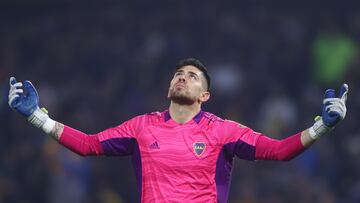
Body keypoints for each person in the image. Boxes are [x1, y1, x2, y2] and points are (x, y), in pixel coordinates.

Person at [8, 58, 348, 203]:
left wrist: (322, 127)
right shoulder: (141, 126)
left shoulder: (223, 131)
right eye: (178, 74)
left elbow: (279, 151)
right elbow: (88, 145)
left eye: (192, 76)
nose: (182, 77)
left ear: (205, 95)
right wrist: (37, 116)